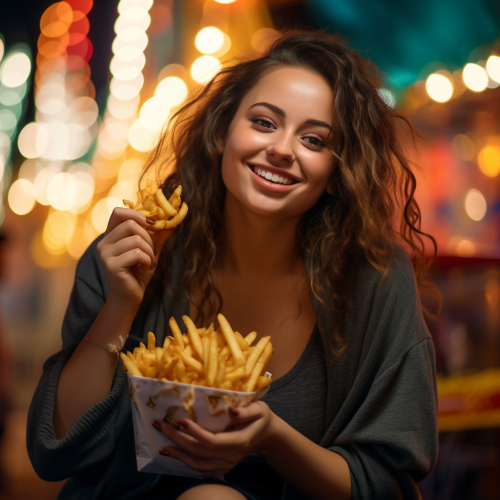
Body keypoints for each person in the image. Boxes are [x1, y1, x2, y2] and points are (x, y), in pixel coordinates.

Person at [27, 29, 439, 500]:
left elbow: (389, 485)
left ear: (335, 175)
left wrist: (272, 437)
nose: (282, 149)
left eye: (313, 140)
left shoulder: (374, 279)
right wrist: (119, 307)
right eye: (264, 123)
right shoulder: (134, 248)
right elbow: (57, 454)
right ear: (222, 132)